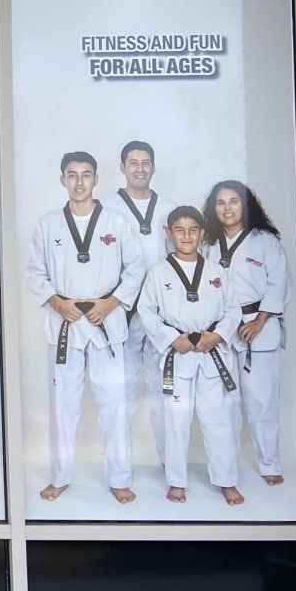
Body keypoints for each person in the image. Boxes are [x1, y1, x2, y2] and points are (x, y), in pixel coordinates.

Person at [23, 150, 147, 503]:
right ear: (62, 180)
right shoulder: (48, 225)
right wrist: (58, 303)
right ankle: (60, 476)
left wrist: (111, 303)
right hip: (65, 323)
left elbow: (135, 268)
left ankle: (119, 478)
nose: (79, 182)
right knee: (63, 405)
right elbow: (35, 272)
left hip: (106, 321)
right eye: (72, 175)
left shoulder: (115, 223)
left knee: (114, 403)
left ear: (96, 179)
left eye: (86, 174)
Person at [140, 206, 245, 506]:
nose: (186, 236)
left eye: (192, 230)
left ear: (202, 234)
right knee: (176, 418)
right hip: (179, 351)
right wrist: (173, 338)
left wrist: (217, 336)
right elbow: (148, 313)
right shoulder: (158, 273)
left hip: (211, 351)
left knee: (218, 418)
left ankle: (226, 480)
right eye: (179, 230)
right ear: (168, 233)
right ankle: (177, 481)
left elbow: (233, 309)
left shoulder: (217, 272)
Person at [204, 179, 292, 486]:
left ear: (245, 205)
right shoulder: (208, 244)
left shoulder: (265, 241)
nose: (227, 208)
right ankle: (225, 467)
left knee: (261, 400)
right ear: (213, 209)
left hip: (258, 327)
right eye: (220, 202)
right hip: (222, 330)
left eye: (233, 201)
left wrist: (260, 320)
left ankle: (269, 463)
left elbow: (278, 284)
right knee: (224, 403)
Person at [115, 141, 168, 465]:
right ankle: (120, 465)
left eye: (145, 162)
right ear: (122, 167)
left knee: (163, 392)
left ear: (153, 167)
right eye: (132, 162)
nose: (139, 168)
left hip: (162, 313)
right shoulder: (106, 208)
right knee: (122, 392)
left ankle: (168, 461)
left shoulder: (170, 207)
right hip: (121, 310)